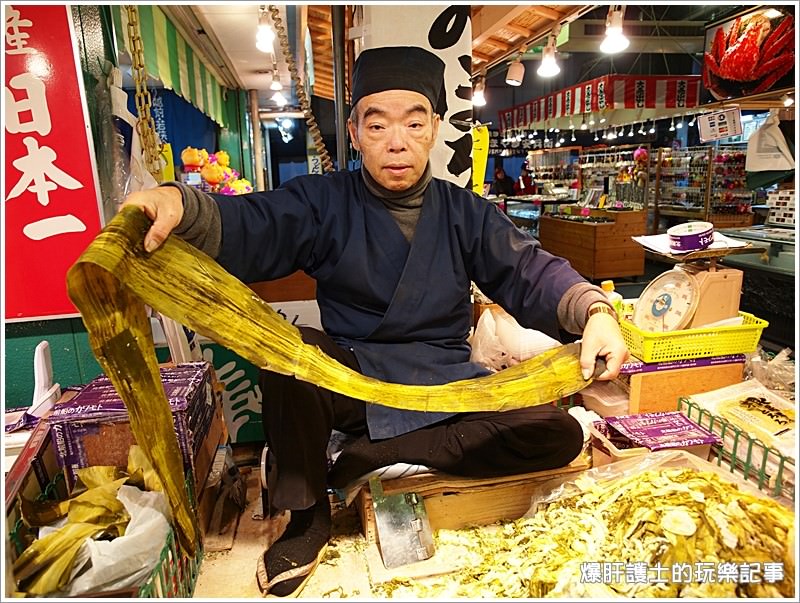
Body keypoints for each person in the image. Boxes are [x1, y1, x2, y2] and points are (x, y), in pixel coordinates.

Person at [122, 46, 628, 597]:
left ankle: (370, 457)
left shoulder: (466, 214)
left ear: (435, 126)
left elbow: (530, 271)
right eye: (378, 123)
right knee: (288, 355)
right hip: (356, 380)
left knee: (556, 432)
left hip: (446, 384)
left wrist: (595, 310)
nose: (397, 141)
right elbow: (255, 223)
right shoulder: (322, 203)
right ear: (354, 131)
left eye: (414, 122)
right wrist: (180, 202)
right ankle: (308, 515)